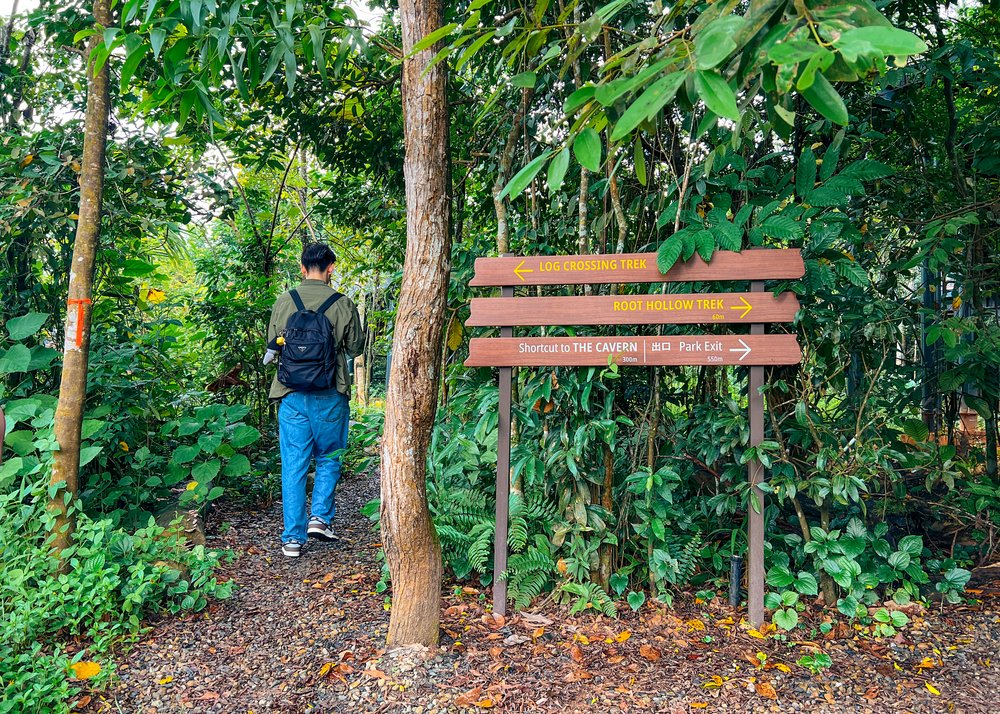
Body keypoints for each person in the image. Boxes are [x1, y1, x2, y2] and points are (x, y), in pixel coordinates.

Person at [266, 243, 364, 557]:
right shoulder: (343, 303)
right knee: (329, 457)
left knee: (293, 466)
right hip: (330, 394)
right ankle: (320, 517)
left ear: (302, 267)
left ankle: (292, 539)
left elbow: (273, 343)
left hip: (291, 395)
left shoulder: (284, 300)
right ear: (330, 267)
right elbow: (355, 348)